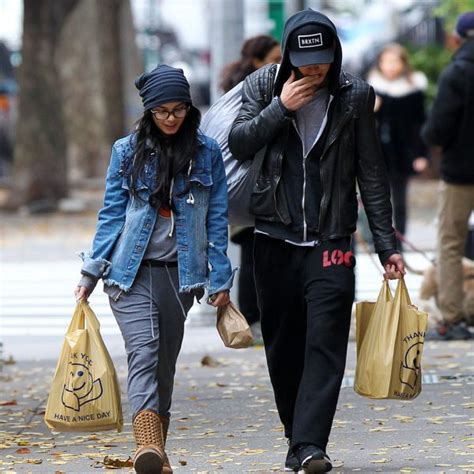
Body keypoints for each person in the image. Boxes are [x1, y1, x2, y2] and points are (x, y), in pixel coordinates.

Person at [229, 8, 405, 473]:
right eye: (306, 60)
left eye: (323, 59)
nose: (315, 68)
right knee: (283, 346)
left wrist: (387, 247)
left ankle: (310, 446)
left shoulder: (355, 96)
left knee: (326, 342)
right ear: (287, 55)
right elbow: (240, 142)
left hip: (332, 240)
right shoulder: (264, 86)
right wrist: (279, 109)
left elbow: (372, 173)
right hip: (273, 237)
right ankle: (297, 437)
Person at [74, 64, 234, 474]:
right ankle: (146, 444)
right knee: (143, 352)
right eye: (162, 111)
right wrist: (91, 271)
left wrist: (220, 277)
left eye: (178, 109)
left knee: (163, 362)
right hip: (130, 272)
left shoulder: (206, 152)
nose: (170, 118)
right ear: (148, 112)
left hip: (181, 275)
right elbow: (111, 214)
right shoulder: (126, 151)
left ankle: (156, 452)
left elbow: (216, 218)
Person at [220, 35, 282, 341]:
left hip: (247, 186)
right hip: (248, 184)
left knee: (256, 257)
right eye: (274, 59)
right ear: (258, 61)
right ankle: (252, 317)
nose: (280, 64)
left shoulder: (236, 85)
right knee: (252, 257)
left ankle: (258, 317)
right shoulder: (250, 88)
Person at [422, 12, 474, 341]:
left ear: (457, 38)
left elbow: (437, 128)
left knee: (451, 243)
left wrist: (432, 139)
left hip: (461, 173)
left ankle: (454, 319)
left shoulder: (457, 72)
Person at [367, 43, 428, 244]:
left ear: (403, 63)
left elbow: (420, 123)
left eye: (395, 61)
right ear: (380, 64)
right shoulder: (372, 88)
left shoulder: (413, 88)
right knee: (378, 198)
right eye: (386, 61)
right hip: (378, 151)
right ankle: (380, 240)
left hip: (403, 151)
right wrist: (372, 109)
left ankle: (399, 241)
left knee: (400, 200)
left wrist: (421, 154)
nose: (391, 66)